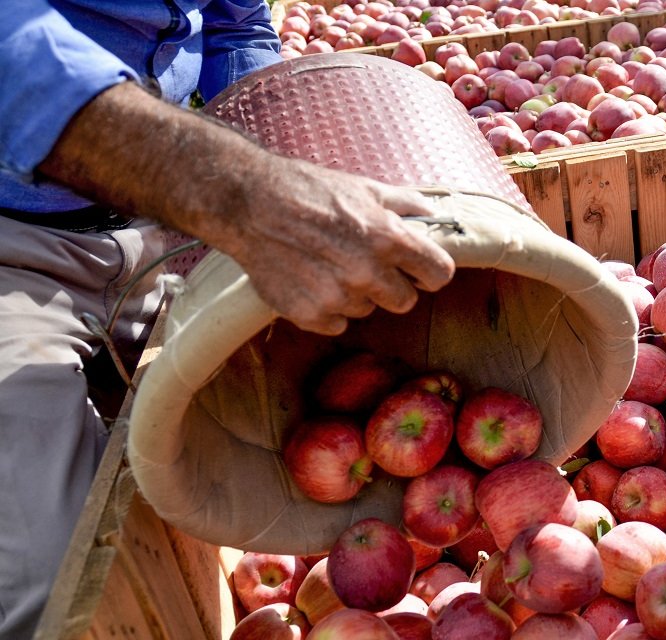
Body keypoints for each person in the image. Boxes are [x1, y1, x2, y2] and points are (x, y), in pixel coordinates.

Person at [1, 2, 457, 637]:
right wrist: (245, 193)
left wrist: (280, 154)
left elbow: (236, 24)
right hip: (18, 241)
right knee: (45, 583)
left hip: (166, 223)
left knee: (257, 442)